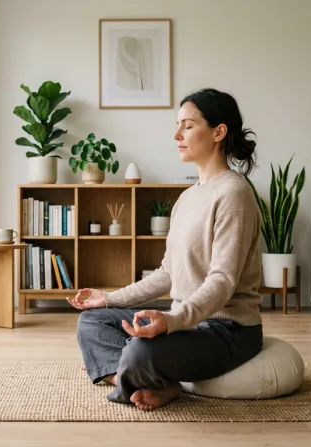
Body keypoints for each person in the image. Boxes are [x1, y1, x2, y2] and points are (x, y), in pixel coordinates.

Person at [67, 87, 264, 411]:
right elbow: (169, 273)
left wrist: (172, 321)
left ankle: (118, 372)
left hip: (227, 330)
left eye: (187, 125)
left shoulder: (234, 195)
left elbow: (222, 282)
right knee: (92, 322)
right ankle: (136, 379)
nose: (177, 135)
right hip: (185, 320)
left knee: (140, 352)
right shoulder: (186, 198)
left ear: (218, 132)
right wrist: (109, 298)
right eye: (177, 125)